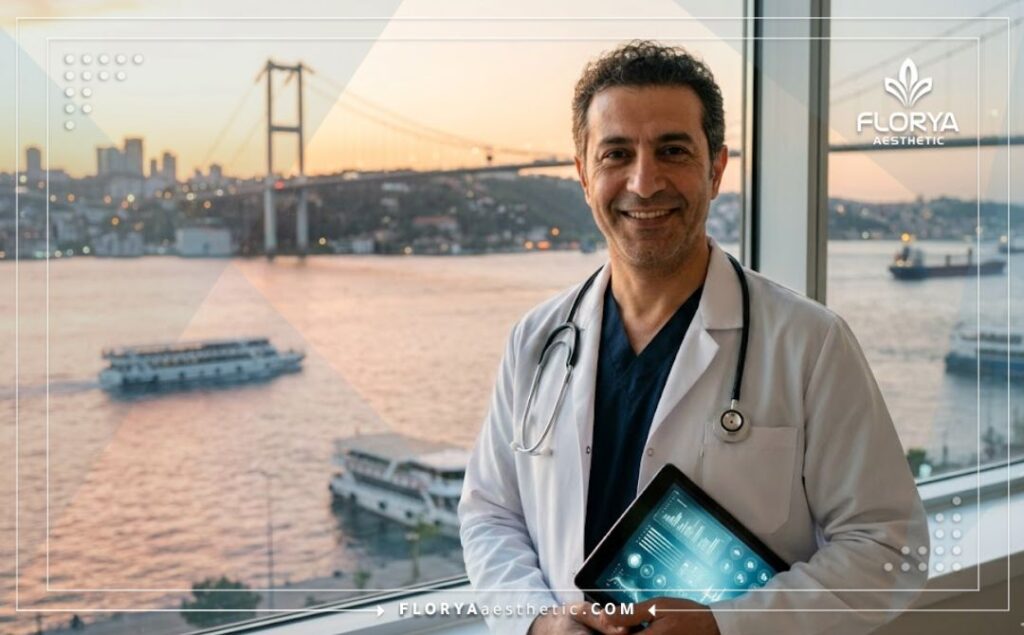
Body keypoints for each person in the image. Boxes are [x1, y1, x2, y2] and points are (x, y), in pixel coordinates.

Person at [458, 40, 929, 635]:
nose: (644, 182)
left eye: (672, 150)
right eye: (616, 153)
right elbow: (490, 514)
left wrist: (726, 627)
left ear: (716, 168)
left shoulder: (810, 343)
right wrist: (537, 622)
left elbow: (890, 549)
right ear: (582, 174)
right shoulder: (535, 341)